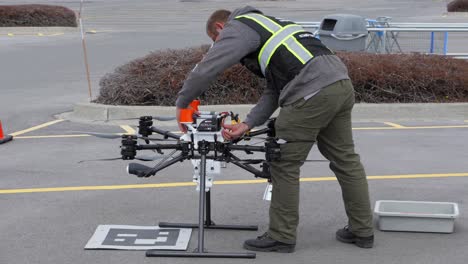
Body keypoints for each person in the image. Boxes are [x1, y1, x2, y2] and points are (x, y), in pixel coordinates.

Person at [175, 6, 374, 253]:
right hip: (339, 85)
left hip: (311, 92)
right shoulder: (272, 27)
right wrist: (247, 124)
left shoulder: (238, 27)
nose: (224, 47)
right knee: (345, 159)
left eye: (217, 40)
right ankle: (362, 230)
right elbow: (275, 89)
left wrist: (183, 103)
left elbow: (208, 68)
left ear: (220, 28)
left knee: (284, 163)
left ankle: (282, 236)